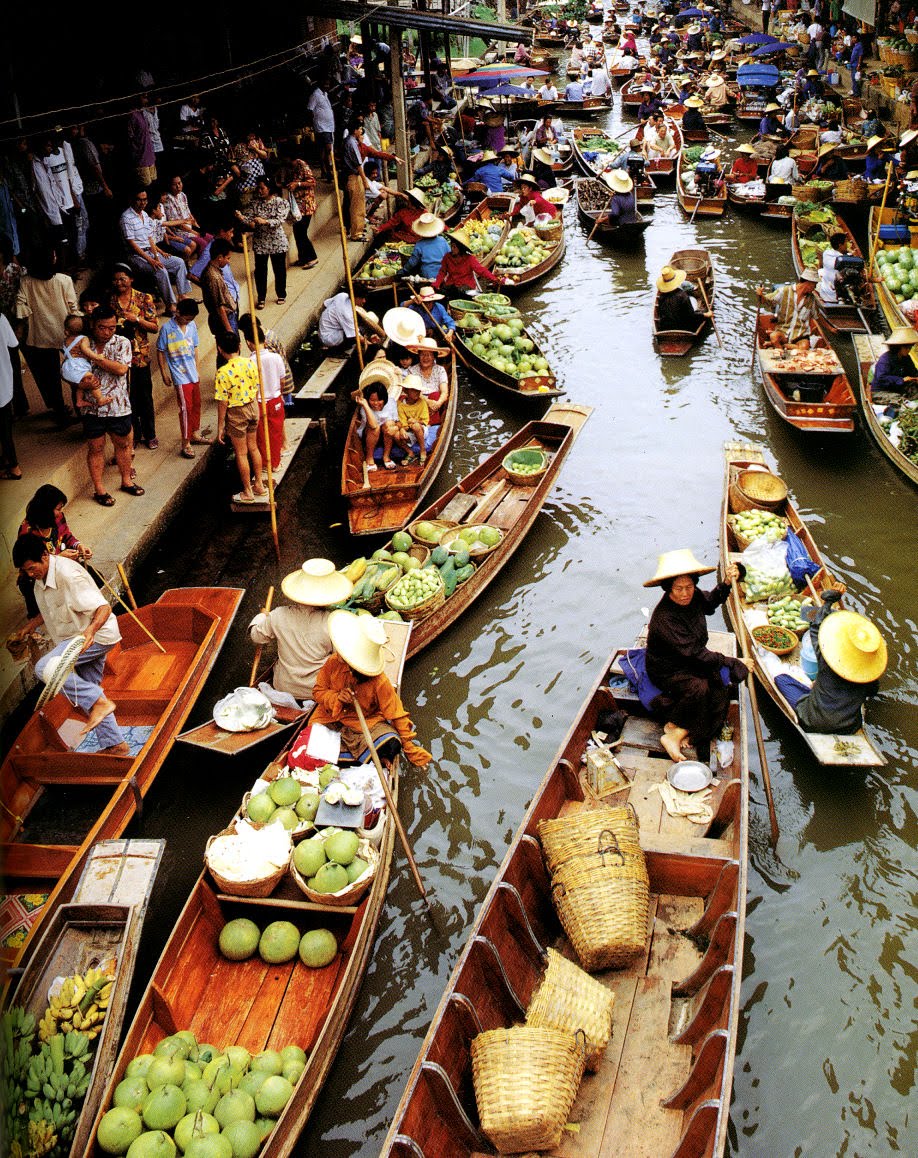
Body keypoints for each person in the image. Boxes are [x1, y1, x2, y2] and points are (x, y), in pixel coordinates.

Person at [10, 535, 128, 755]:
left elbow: (104, 608)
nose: (29, 574)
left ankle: (99, 703)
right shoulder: (40, 578)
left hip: (97, 636)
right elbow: (50, 611)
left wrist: (90, 632)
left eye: (31, 568)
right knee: (87, 689)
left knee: (45, 667)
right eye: (25, 571)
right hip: (75, 639)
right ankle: (116, 745)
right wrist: (28, 628)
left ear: (45, 556)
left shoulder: (68, 574)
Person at [644, 549, 748, 763]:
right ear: (668, 589)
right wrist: (731, 661)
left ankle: (679, 731)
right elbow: (694, 653)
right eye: (679, 588)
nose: (685, 593)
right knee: (699, 689)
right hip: (668, 669)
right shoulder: (664, 619)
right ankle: (675, 730)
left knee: (719, 690)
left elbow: (709, 603)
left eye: (689, 587)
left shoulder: (694, 596)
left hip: (690, 660)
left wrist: (726, 583)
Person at [311, 610, 432, 768]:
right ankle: (364, 758)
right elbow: (318, 692)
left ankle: (358, 758)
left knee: (392, 743)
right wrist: (337, 698)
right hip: (330, 720)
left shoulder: (379, 681)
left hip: (365, 725)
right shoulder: (334, 662)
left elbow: (397, 714)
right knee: (310, 744)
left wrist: (409, 747)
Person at [775, 594, 885, 734]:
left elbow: (815, 627)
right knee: (820, 690)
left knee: (782, 679)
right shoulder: (868, 676)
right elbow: (873, 691)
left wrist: (828, 602)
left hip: (812, 721)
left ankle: (811, 695)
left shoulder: (828, 662)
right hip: (849, 726)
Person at [249, 559, 353, 703]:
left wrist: (261, 617)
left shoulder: (278, 615)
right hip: (317, 689)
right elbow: (341, 660)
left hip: (283, 686)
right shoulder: (332, 622)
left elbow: (256, 636)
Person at [81, 306, 143, 505]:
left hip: (118, 406)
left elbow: (121, 369)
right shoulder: (82, 344)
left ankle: (126, 481)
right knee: (96, 448)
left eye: (111, 328)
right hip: (91, 407)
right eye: (102, 327)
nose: (107, 332)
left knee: (124, 444)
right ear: (92, 325)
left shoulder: (122, 342)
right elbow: (72, 373)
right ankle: (99, 489)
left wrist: (94, 358)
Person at [15, 251, 78, 425]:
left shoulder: (26, 282)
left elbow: (20, 305)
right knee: (77, 370)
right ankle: (82, 408)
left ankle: (59, 412)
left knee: (50, 377)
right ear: (52, 260)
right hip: (65, 333)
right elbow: (73, 307)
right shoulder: (64, 280)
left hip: (41, 334)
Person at [16, 483, 91, 614]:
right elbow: (32, 563)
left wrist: (78, 546)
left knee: (94, 580)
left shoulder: (57, 518)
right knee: (29, 585)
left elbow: (66, 535)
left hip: (60, 566)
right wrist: (60, 558)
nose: (60, 513)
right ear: (46, 509)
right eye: (58, 508)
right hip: (39, 574)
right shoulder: (27, 532)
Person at [213, 329, 266, 504]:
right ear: (239, 346)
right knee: (254, 447)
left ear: (220, 349)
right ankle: (259, 484)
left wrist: (220, 426)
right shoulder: (251, 363)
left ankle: (248, 491)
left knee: (241, 453)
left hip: (237, 412)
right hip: (252, 407)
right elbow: (257, 386)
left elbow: (223, 402)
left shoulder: (222, 372)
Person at [110, 264, 159, 449]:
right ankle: (135, 435)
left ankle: (150, 434)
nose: (119, 282)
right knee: (128, 397)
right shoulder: (111, 301)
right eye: (116, 279)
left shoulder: (143, 298)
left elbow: (154, 326)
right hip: (120, 358)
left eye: (123, 278)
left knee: (145, 395)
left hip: (140, 356)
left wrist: (137, 319)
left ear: (131, 279)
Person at [120, 188, 191, 314]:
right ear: (133, 200)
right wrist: (152, 261)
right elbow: (132, 244)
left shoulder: (145, 215)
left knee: (179, 262)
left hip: (150, 252)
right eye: (139, 200)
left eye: (144, 200)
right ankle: (171, 306)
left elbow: (149, 239)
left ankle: (182, 297)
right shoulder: (126, 217)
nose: (142, 203)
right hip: (136, 255)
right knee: (161, 270)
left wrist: (157, 256)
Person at [157, 298, 211, 459]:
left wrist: (197, 368)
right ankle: (185, 442)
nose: (188, 322)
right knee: (185, 409)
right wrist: (164, 373)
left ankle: (194, 433)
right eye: (186, 319)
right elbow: (160, 351)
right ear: (178, 313)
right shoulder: (167, 329)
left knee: (196, 404)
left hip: (193, 373)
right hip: (180, 376)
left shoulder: (192, 326)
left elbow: (195, 348)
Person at [239, 312, 285, 470]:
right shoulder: (276, 358)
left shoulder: (249, 362)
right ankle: (275, 463)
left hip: (260, 403)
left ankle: (266, 464)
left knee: (262, 436)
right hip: (276, 400)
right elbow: (282, 380)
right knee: (276, 433)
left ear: (248, 343)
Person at [235, 176, 289, 308]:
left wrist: (265, 221)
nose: (259, 190)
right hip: (260, 241)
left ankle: (281, 294)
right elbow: (249, 220)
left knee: (279, 269)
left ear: (269, 188)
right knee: (260, 271)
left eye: (262, 188)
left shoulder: (281, 202)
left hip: (277, 241)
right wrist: (241, 217)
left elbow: (280, 220)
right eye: (258, 188)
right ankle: (261, 298)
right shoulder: (255, 203)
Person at [756, 270, 820, 347]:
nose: (815, 288)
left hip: (800, 336)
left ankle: (781, 346)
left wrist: (830, 328)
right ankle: (786, 347)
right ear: (809, 283)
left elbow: (817, 317)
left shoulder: (811, 299)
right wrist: (760, 295)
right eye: (814, 285)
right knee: (774, 337)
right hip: (783, 332)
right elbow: (767, 301)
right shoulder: (785, 291)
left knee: (804, 346)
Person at [432, 231, 504, 297]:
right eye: (451, 246)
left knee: (461, 291)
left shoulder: (469, 259)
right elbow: (442, 272)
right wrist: (436, 284)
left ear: (460, 248)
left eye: (454, 247)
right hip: (451, 286)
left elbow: (481, 270)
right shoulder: (447, 257)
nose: (452, 249)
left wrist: (494, 279)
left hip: (466, 287)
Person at [280, 149, 318, 267]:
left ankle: (312, 257)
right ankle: (302, 257)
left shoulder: (302, 165)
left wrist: (298, 184)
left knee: (301, 232)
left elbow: (312, 182)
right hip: (297, 206)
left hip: (306, 205)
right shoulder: (289, 168)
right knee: (297, 232)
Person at [408, 335, 450, 426]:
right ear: (419, 355)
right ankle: (424, 423)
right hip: (418, 400)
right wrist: (427, 402)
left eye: (429, 355)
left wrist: (437, 404)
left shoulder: (440, 370)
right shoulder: (412, 370)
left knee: (436, 395)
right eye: (422, 354)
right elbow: (411, 391)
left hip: (436, 403)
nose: (425, 358)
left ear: (434, 357)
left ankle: (430, 423)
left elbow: (445, 392)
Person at [656, 265, 709, 331]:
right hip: (683, 328)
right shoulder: (682, 296)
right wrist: (705, 315)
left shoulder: (661, 296)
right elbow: (691, 316)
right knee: (703, 312)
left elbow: (661, 314)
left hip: (665, 328)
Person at [394, 373, 430, 465]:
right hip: (409, 431)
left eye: (418, 390)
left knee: (416, 426)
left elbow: (425, 421)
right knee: (396, 435)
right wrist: (403, 429)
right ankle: (410, 452)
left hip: (421, 429)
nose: (417, 393)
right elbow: (403, 423)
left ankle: (423, 450)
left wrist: (415, 421)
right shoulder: (401, 405)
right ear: (406, 391)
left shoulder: (422, 403)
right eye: (413, 390)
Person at [0, 312, 20, 479]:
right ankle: (13, 466)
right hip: (3, 385)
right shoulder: (0, 318)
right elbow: (13, 345)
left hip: (3, 385)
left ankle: (10, 465)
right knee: (5, 430)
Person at [403, 213, 451, 281]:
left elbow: (412, 262)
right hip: (443, 274)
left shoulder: (420, 244)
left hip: (428, 275)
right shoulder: (443, 240)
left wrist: (403, 271)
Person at [871, 326, 918, 391]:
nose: (908, 350)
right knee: (900, 400)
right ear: (898, 347)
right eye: (906, 348)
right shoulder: (885, 359)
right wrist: (901, 379)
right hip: (882, 390)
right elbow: (881, 378)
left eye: (910, 348)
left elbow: (913, 372)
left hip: (898, 388)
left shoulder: (906, 358)